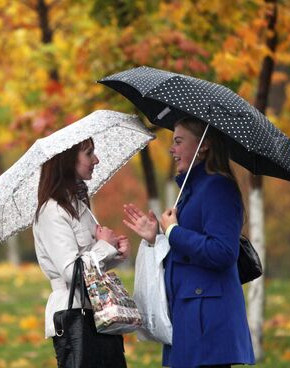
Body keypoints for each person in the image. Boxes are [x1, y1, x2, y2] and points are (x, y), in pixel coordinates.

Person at [123, 118, 256, 368]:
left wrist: (173, 232)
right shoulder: (193, 189)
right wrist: (157, 237)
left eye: (178, 141)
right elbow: (188, 250)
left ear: (203, 145)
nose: (172, 149)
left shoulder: (218, 187)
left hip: (207, 322)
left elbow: (224, 252)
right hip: (189, 314)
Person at [33, 138, 129, 367]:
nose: (96, 159)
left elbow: (91, 262)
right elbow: (71, 272)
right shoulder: (52, 211)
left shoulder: (78, 206)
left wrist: (114, 251)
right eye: (89, 153)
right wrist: (104, 246)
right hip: (75, 312)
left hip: (100, 311)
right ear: (67, 159)